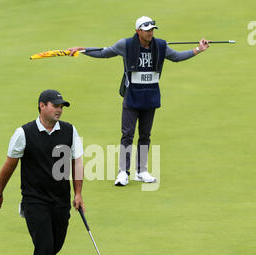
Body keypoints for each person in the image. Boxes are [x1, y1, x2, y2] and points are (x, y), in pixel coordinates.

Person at [68, 16, 210, 186]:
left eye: (152, 30)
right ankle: (123, 172)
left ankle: (141, 171)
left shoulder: (161, 46)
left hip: (150, 96)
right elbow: (104, 53)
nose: (151, 33)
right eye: (147, 30)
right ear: (138, 31)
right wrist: (82, 50)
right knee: (127, 134)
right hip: (132, 96)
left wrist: (198, 49)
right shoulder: (125, 45)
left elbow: (178, 57)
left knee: (145, 135)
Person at [0, 89, 85, 255]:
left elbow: (77, 162)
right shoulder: (24, 133)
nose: (60, 110)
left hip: (61, 200)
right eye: (56, 105)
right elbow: (10, 165)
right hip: (35, 201)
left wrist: (78, 193)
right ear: (42, 106)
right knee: (44, 245)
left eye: (62, 106)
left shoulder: (70, 131)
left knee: (56, 245)